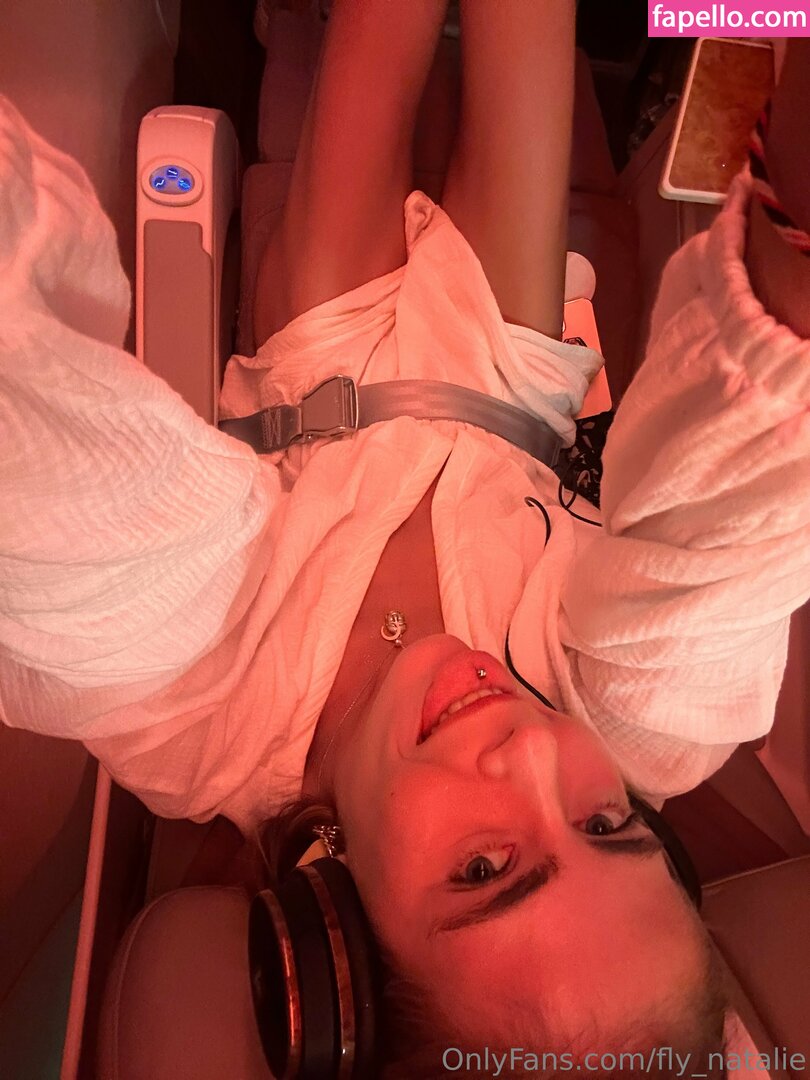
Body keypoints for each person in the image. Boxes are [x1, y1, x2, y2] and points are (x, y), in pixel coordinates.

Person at [2, 0, 810, 1075]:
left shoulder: (194, 714)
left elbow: (47, 477)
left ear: (337, 927)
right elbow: (744, 495)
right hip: (510, 367)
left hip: (325, 359)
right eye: (607, 826)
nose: (537, 754)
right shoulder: (644, 727)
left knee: (381, 28)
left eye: (483, 869)